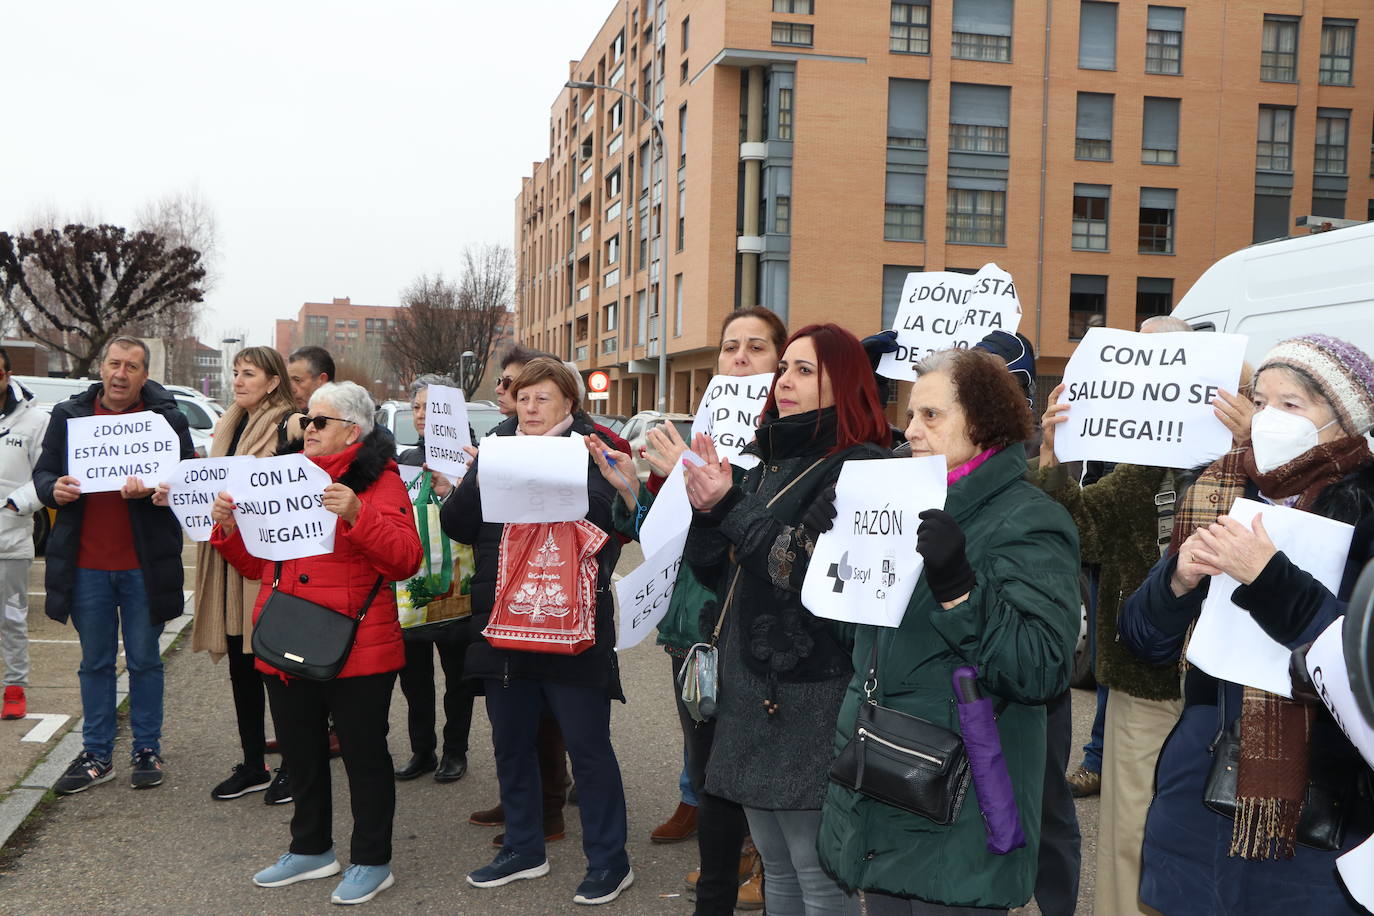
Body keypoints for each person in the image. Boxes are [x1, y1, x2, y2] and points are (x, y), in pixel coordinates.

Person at [819, 346, 1082, 915]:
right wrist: (833, 559)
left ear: (983, 423)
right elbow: (859, 647)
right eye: (911, 414)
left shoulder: (1030, 517)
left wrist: (960, 589)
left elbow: (1041, 668)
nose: (911, 430)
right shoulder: (898, 499)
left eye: (931, 416)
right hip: (882, 775)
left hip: (961, 799)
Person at [1119, 334, 1374, 915]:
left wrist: (1269, 578)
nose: (1267, 419)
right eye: (1259, 402)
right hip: (1196, 785)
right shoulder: (1217, 491)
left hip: (1317, 812)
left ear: (1345, 420)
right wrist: (1176, 581)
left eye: (1292, 405)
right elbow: (1142, 642)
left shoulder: (1366, 509)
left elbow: (1360, 663)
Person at [1034, 315, 1254, 915]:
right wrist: (1054, 459)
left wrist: (1255, 450)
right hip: (1144, 687)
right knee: (1130, 838)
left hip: (1237, 692)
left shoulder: (1258, 464)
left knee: (1219, 847)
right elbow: (1078, 532)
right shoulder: (1141, 472)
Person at [682, 323, 892, 916]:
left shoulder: (862, 467)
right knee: (776, 867)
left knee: (818, 874)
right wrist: (706, 509)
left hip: (811, 690)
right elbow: (712, 573)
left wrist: (729, 506)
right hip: (752, 685)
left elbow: (798, 567)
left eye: (804, 370)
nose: (784, 383)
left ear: (844, 382)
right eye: (786, 370)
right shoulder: (769, 458)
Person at [589, 305, 787, 913]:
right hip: (693, 628)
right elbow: (669, 538)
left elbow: (764, 549)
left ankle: (764, 864)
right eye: (731, 347)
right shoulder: (704, 436)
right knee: (706, 759)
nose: (740, 358)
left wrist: (711, 490)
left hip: (749, 632)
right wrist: (634, 492)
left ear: (780, 367)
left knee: (755, 758)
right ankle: (722, 853)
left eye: (756, 348)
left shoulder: (779, 450)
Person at [211, 380, 421, 905]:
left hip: (358, 646)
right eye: (306, 419)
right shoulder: (283, 478)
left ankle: (372, 860)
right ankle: (311, 849)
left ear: (353, 429)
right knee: (302, 753)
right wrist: (232, 530)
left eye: (319, 421)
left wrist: (357, 514)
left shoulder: (380, 482)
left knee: (364, 757)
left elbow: (404, 560)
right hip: (287, 634)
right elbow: (261, 564)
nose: (308, 428)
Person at [445, 358, 633, 906]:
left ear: (569, 406)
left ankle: (609, 860)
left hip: (568, 624)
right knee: (511, 744)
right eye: (523, 397)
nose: (529, 408)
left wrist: (612, 488)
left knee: (588, 748)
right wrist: (481, 475)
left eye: (543, 398)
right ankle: (524, 847)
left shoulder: (590, 451)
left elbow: (607, 527)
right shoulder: (496, 449)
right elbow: (458, 524)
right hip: (501, 626)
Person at [35, 337, 195, 794]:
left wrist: (161, 491)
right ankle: (96, 753)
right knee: (96, 662)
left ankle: (147, 747)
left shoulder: (166, 421)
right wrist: (54, 490)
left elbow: (186, 480)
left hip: (143, 567)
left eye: (132, 367)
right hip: (86, 565)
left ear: (145, 376)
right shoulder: (70, 417)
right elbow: (44, 473)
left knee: (145, 660)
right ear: (102, 368)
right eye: (114, 364)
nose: (121, 374)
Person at [177, 347, 300, 804]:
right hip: (227, 559)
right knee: (241, 667)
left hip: (264, 561)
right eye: (235, 372)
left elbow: (288, 484)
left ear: (272, 382)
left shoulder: (290, 422)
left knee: (275, 668)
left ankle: (293, 765)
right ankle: (253, 763)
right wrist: (180, 495)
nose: (238, 381)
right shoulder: (231, 421)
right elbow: (213, 479)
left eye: (248, 373)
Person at [393, 373, 473, 784]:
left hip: (460, 585)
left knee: (458, 677)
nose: (422, 415)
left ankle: (455, 751)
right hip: (412, 587)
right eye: (416, 407)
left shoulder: (473, 457)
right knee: (414, 678)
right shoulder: (404, 460)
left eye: (430, 406)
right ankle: (421, 749)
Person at [0, 349, 50, 721]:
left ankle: (15, 688)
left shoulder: (34, 421)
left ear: (8, 375)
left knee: (12, 618)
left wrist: (17, 504)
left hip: (10, 541)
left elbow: (45, 476)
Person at [287, 346, 334, 413]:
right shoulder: (285, 418)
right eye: (288, 381)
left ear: (322, 380)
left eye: (297, 380)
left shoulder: (342, 419)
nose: (291, 389)